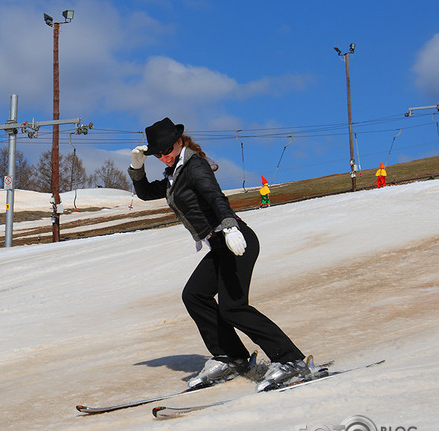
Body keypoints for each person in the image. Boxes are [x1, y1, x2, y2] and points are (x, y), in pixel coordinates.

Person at [128, 117, 310, 392]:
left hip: (235, 239)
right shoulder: (174, 173)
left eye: (166, 151)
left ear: (179, 142)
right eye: (158, 154)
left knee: (233, 307)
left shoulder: (194, 165)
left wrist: (230, 227)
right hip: (221, 245)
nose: (163, 157)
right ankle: (232, 356)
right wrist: (136, 168)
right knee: (194, 295)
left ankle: (290, 360)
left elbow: (216, 197)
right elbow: (145, 194)